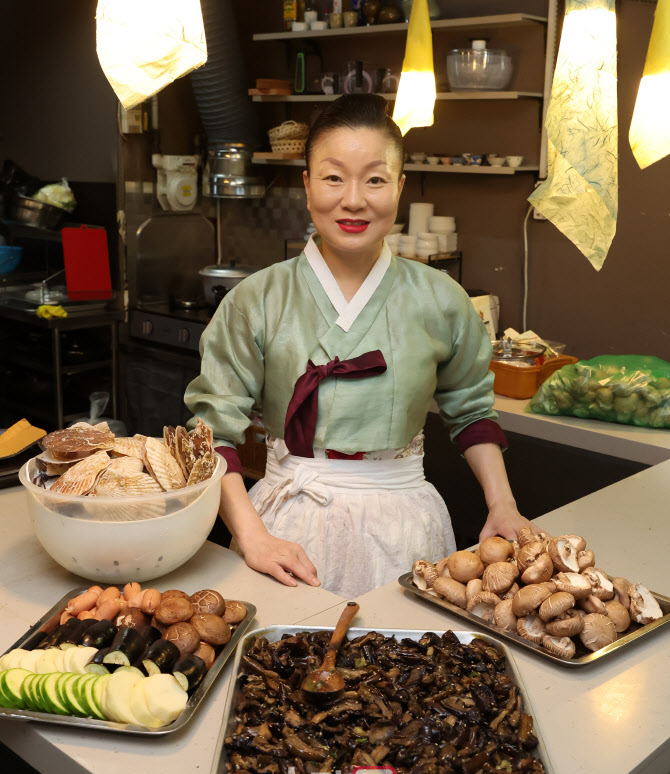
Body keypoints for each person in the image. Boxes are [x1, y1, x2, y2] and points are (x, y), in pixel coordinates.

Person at [185, 93, 538, 597]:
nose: (353, 199)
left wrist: (502, 504)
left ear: (399, 187)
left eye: (374, 179)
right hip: (286, 527)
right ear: (306, 186)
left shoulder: (442, 300)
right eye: (333, 177)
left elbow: (471, 411)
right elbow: (210, 435)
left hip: (405, 524)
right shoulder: (255, 300)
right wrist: (252, 535)